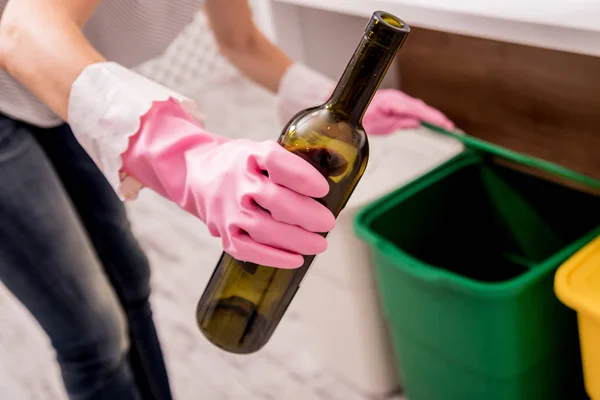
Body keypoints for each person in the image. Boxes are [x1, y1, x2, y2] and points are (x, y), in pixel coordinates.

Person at [0, 1, 455, 399]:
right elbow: (22, 31)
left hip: (50, 92)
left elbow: (241, 41)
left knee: (129, 279)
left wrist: (342, 104)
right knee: (92, 331)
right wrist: (187, 159)